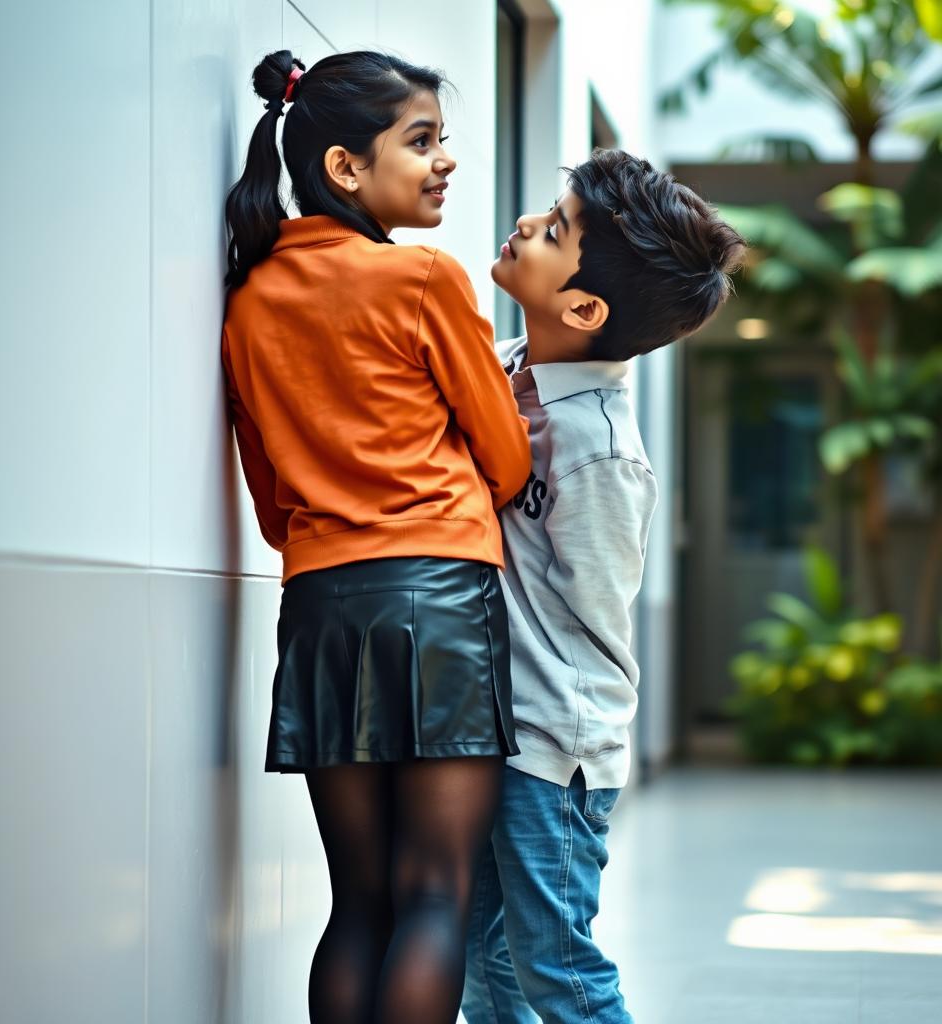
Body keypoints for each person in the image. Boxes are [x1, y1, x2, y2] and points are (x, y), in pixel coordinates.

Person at [220, 49, 531, 1024]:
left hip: (319, 606)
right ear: (348, 167)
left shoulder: (250, 298)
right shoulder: (424, 281)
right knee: (434, 893)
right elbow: (509, 461)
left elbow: (271, 500)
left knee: (356, 902)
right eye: (422, 140)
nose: (445, 161)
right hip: (439, 598)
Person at [461, 149, 746, 1024]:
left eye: (552, 231)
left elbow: (595, 614)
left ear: (584, 308)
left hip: (554, 751)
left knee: (557, 967)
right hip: (497, 727)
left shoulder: (603, 450)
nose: (525, 226)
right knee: (485, 962)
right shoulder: (503, 367)